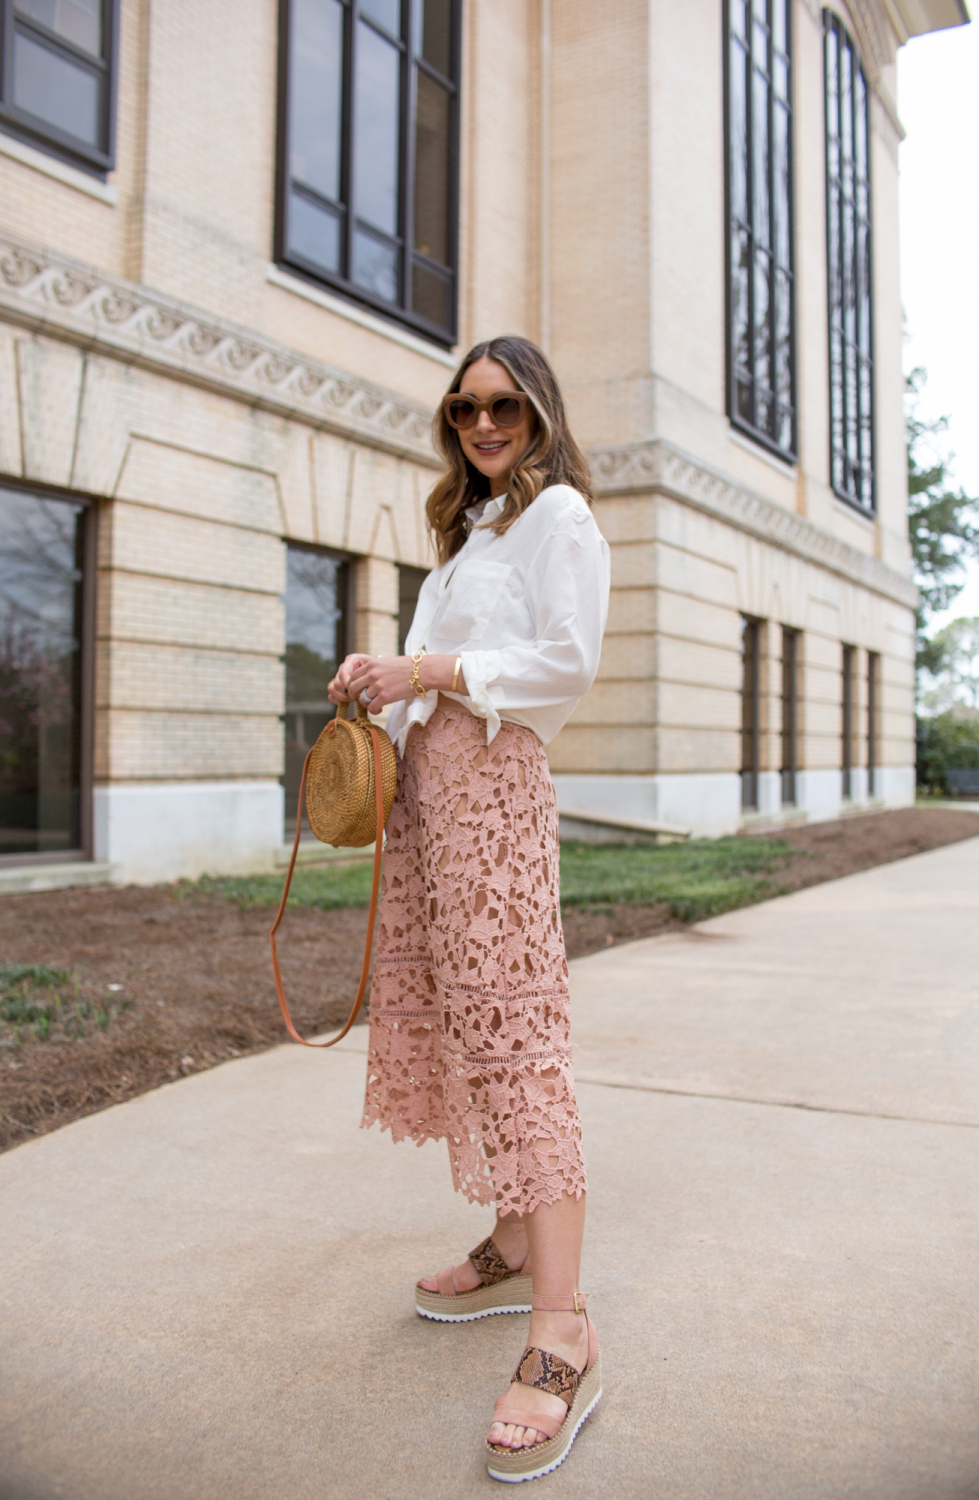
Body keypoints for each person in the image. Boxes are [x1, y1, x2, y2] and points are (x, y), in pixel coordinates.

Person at [328, 335, 610, 1482]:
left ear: (539, 409)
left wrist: (429, 671)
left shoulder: (561, 522)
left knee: (516, 1041)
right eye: (462, 410)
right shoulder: (468, 538)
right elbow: (438, 669)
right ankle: (505, 1237)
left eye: (501, 406)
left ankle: (563, 1329)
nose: (481, 425)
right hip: (430, 807)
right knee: (460, 1028)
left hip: (494, 801)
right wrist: (377, 680)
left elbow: (565, 662)